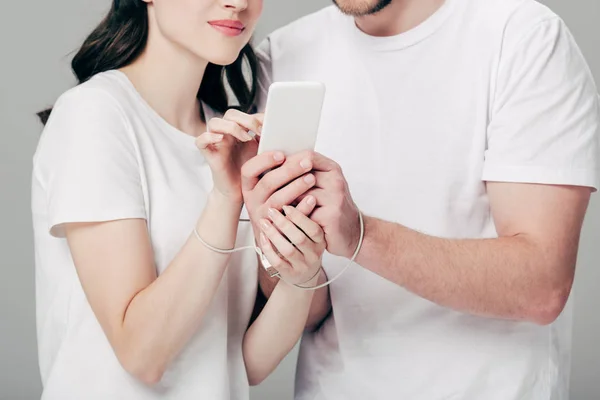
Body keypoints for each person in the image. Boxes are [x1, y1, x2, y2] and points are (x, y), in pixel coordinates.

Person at [242, 0, 600, 399]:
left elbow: (542, 287)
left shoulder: (521, 37)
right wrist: (281, 248)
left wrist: (361, 234)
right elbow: (309, 313)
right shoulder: (283, 56)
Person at [31, 0, 325, 399]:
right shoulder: (95, 115)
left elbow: (238, 366)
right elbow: (142, 354)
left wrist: (300, 276)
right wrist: (226, 198)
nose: (238, 3)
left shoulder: (230, 136)